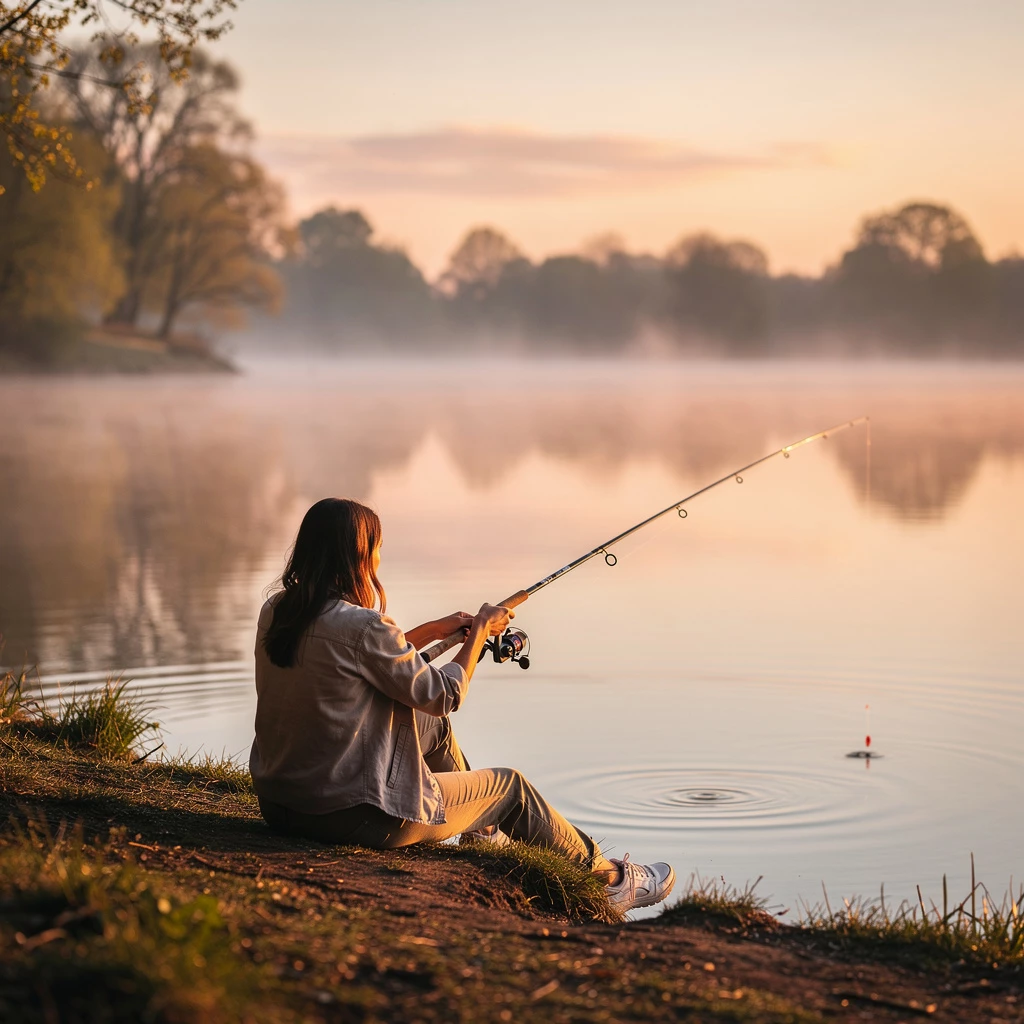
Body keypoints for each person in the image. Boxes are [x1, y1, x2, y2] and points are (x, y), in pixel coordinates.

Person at [251, 497, 675, 913]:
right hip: (356, 819)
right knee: (511, 788)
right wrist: (477, 636)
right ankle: (608, 880)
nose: (380, 558)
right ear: (358, 556)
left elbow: (370, 664)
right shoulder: (364, 626)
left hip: (281, 804)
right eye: (377, 548)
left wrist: (441, 631)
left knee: (431, 729)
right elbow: (441, 695)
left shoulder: (280, 612)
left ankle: (483, 830)